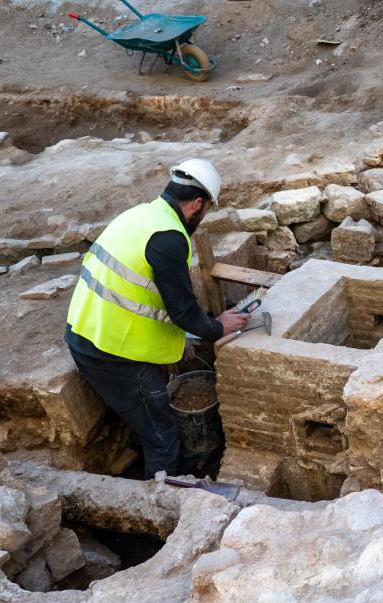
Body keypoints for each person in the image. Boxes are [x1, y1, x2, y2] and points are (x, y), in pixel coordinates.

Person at [65, 158, 249, 479]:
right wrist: (218, 327)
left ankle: (183, 473)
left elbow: (144, 299)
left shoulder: (140, 215)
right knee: (160, 432)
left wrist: (183, 342)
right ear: (197, 204)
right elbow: (182, 310)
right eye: (206, 211)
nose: (202, 218)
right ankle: (162, 513)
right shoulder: (168, 238)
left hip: (88, 331)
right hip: (111, 354)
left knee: (153, 424)